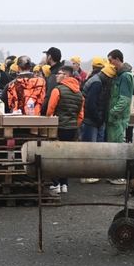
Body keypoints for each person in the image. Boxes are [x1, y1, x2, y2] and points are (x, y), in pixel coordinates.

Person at [46, 65, 84, 195]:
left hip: (59, 127)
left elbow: (50, 110)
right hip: (72, 128)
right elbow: (81, 115)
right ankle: (64, 184)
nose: (56, 75)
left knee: (55, 156)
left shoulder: (58, 90)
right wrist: (73, 124)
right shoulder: (79, 93)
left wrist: (50, 122)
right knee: (66, 157)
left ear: (66, 76)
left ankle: (55, 183)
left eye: (59, 73)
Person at [105, 56, 134, 184]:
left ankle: (118, 176)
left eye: (111, 60)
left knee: (117, 148)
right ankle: (113, 175)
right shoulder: (119, 75)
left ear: (117, 59)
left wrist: (113, 112)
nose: (110, 63)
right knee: (113, 147)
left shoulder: (125, 76)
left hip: (118, 119)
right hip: (115, 119)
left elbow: (124, 99)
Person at [39, 46, 63, 115]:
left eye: (47, 55)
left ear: (50, 57)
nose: (46, 57)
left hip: (55, 113)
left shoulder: (54, 74)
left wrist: (42, 111)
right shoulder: (62, 70)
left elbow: (49, 96)